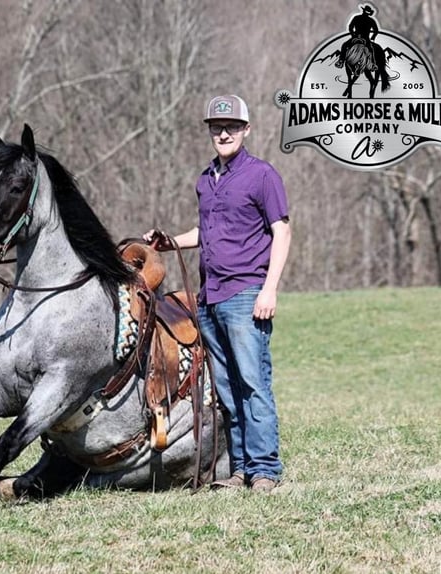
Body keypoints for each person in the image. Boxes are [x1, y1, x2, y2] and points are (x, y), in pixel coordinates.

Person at [144, 94, 291, 492]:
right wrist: (169, 241)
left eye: (230, 127)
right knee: (226, 387)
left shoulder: (262, 176)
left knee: (253, 382)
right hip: (209, 298)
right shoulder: (206, 180)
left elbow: (282, 231)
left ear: (246, 129)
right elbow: (205, 234)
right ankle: (240, 468)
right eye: (216, 127)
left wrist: (269, 289)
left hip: (246, 293)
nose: (223, 133)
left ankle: (264, 470)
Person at [336, 4, 379, 70]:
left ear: (363, 11)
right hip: (365, 38)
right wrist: (373, 37)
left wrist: (353, 35)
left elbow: (350, 27)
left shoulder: (357, 17)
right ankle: (372, 64)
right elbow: (376, 30)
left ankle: (341, 61)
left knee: (345, 45)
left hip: (356, 37)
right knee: (370, 49)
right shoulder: (371, 20)